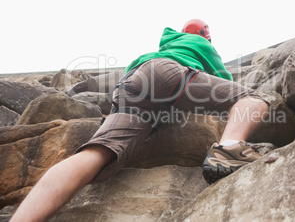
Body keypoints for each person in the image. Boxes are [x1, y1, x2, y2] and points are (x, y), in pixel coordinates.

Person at [11, 19, 270, 221]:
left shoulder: (167, 44)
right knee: (253, 99)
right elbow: (224, 83)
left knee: (95, 154)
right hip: (167, 74)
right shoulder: (202, 44)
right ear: (206, 36)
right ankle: (228, 149)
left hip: (130, 85)